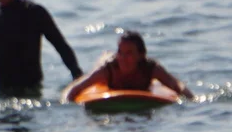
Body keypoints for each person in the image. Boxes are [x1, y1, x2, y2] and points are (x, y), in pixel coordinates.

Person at [63, 30, 196, 102]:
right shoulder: (108, 70)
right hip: (107, 62)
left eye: (129, 53)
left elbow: (176, 86)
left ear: (141, 55)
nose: (123, 58)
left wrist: (192, 101)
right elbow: (75, 90)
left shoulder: (151, 68)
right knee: (101, 65)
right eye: (120, 52)